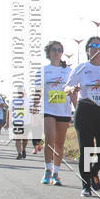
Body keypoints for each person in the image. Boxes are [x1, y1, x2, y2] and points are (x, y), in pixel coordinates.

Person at [65, 37, 100, 197]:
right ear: (87, 50)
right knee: (86, 150)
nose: (96, 48)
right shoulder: (81, 67)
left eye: (99, 45)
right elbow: (66, 87)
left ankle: (93, 172)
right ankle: (85, 185)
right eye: (92, 46)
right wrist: (71, 89)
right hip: (85, 110)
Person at [37, 41, 72, 185]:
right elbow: (37, 91)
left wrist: (77, 106)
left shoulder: (68, 71)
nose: (57, 52)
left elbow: (72, 89)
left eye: (59, 50)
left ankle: (56, 173)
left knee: (59, 142)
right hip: (48, 109)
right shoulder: (43, 70)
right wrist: (33, 106)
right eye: (54, 49)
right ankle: (47, 169)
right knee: (50, 138)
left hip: (63, 109)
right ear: (49, 53)